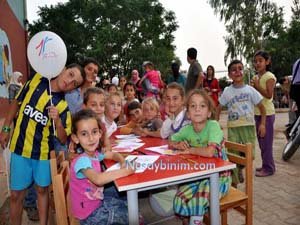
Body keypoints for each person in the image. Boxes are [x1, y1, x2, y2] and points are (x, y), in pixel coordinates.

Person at [0, 63, 85, 225]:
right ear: (64, 69)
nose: (69, 81)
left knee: (42, 190)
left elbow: (62, 138)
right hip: (19, 148)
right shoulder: (36, 80)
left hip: (43, 154)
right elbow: (16, 102)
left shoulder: (63, 107)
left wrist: (58, 121)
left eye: (75, 83)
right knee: (16, 195)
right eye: (71, 74)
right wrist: (5, 127)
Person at [169, 89, 231, 225]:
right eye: (193, 106)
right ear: (188, 114)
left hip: (219, 177)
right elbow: (170, 140)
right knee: (179, 199)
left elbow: (209, 152)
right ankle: (189, 221)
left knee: (197, 201)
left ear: (209, 112)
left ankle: (195, 220)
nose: (197, 109)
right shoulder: (187, 129)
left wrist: (189, 150)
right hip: (199, 176)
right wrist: (178, 145)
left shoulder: (213, 126)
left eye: (202, 106)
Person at [69, 109, 134, 224]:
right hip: (90, 216)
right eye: (84, 134)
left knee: (129, 208)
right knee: (131, 217)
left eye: (94, 132)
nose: (91, 138)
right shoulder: (82, 161)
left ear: (100, 133)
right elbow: (98, 179)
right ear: (75, 138)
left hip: (96, 204)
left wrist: (122, 161)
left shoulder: (94, 154)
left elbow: (113, 154)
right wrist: (125, 171)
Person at [218, 59, 266, 185]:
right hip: (233, 127)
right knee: (233, 154)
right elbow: (218, 107)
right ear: (229, 75)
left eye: (240, 68)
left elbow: (262, 108)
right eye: (234, 70)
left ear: (243, 71)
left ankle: (240, 168)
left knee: (249, 155)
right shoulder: (227, 91)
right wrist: (216, 124)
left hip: (248, 126)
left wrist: (262, 124)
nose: (237, 71)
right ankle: (233, 182)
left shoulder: (250, 90)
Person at [251, 50, 276, 177]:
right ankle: (266, 164)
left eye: (260, 61)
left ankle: (269, 168)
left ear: (267, 61)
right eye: (255, 61)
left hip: (267, 114)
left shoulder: (269, 76)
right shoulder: (256, 77)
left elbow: (268, 94)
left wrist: (256, 86)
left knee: (266, 142)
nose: (257, 63)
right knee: (262, 142)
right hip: (257, 113)